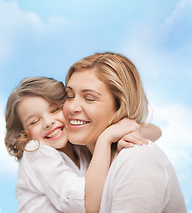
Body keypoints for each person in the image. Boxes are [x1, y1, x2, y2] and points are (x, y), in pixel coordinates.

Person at [5, 76, 159, 213]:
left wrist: (116, 129)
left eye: (55, 109)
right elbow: (85, 205)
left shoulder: (78, 145)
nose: (48, 122)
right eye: (34, 122)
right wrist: (105, 139)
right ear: (23, 134)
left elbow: (155, 132)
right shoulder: (36, 151)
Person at [63, 51, 187, 213]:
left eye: (89, 98)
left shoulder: (136, 157)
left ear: (120, 106)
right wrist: (105, 139)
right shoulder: (79, 155)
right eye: (69, 95)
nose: (72, 107)